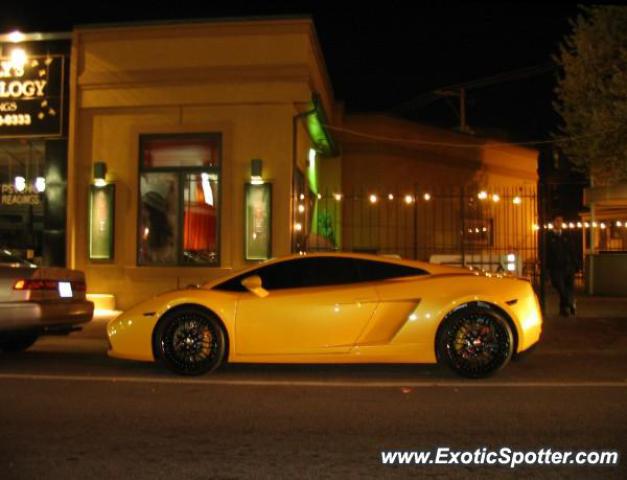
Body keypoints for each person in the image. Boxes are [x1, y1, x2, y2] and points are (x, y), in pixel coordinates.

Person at [546, 215, 579, 316]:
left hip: (568, 267)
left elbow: (572, 250)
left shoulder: (566, 235)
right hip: (556, 268)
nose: (559, 223)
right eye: (557, 221)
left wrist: (575, 264)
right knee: (560, 288)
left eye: (561, 221)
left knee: (568, 288)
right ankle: (570, 303)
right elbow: (546, 252)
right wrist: (547, 268)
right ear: (553, 222)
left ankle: (563, 310)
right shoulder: (548, 236)